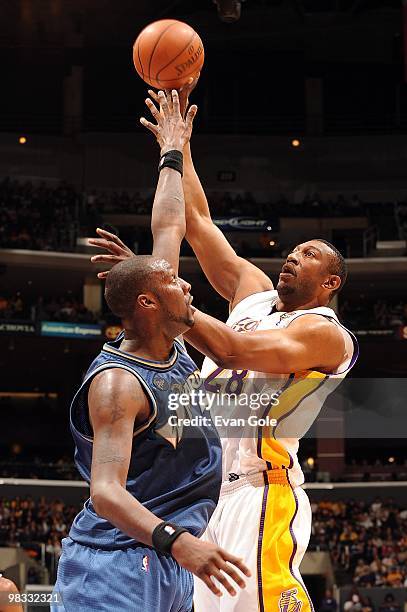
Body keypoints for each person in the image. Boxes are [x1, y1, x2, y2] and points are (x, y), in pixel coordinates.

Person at [90, 80, 358, 612]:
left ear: (330, 283)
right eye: (293, 250)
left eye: (308, 254)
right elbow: (197, 223)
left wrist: (166, 299)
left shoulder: (326, 333)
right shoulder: (254, 293)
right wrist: (178, 145)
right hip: (202, 491)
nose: (292, 256)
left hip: (259, 491)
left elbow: (234, 351)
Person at [53, 90, 249, 612]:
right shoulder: (118, 383)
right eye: (172, 283)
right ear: (146, 303)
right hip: (115, 562)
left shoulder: (171, 341)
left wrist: (172, 151)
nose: (186, 285)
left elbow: (169, 226)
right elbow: (106, 493)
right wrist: (180, 544)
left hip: (159, 560)